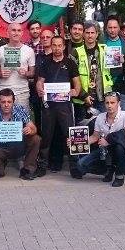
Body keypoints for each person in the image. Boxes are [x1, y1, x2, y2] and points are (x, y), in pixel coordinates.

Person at [35, 36, 81, 177]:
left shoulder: (70, 62)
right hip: (49, 105)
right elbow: (39, 81)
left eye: (59, 45)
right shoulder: (45, 62)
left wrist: (75, 91)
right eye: (54, 45)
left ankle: (75, 167)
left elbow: (77, 84)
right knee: (47, 136)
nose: (56, 48)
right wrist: (39, 89)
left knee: (70, 135)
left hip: (65, 105)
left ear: (63, 46)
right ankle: (42, 166)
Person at [71, 93, 125, 187]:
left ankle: (119, 176)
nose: (109, 106)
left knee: (119, 146)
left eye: (112, 103)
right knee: (80, 165)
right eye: (107, 103)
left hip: (121, 150)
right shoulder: (100, 117)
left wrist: (108, 140)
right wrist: (75, 142)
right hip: (104, 150)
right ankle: (108, 170)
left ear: (119, 103)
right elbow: (94, 137)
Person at [0, 88, 40, 180]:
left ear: (13, 102)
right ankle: (0, 167)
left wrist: (30, 130)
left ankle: (27, 169)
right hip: (1, 147)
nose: (6, 105)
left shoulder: (20, 110)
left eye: (9, 102)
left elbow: (34, 128)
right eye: (3, 102)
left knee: (36, 138)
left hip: (19, 145)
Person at [0, 22, 36, 112]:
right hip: (3, 90)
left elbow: (33, 73)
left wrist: (26, 73)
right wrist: (0, 74)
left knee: (22, 121)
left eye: (19, 30)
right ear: (7, 33)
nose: (16, 33)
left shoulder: (29, 50)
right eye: (13, 30)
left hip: (22, 91)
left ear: (22, 33)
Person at [73, 21, 113, 119]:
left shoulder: (105, 50)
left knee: (103, 128)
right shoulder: (76, 52)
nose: (90, 36)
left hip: (102, 97)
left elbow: (115, 72)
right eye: (87, 33)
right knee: (83, 129)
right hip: (82, 99)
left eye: (92, 33)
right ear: (83, 34)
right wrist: (84, 95)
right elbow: (71, 76)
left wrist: (119, 61)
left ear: (97, 34)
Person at [104, 15, 125, 90]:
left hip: (120, 81)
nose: (112, 30)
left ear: (119, 28)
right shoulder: (100, 43)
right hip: (104, 81)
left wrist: (124, 61)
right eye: (110, 27)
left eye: (115, 27)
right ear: (106, 29)